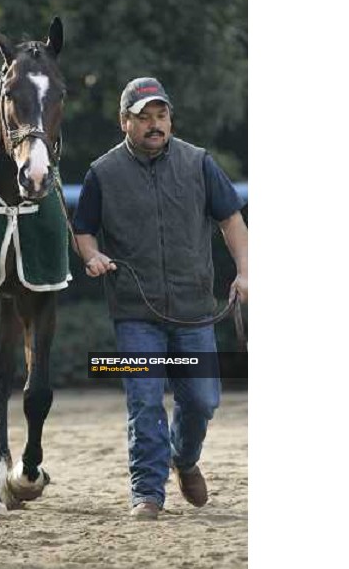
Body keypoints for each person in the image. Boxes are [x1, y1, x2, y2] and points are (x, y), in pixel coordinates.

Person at [73, 77, 248, 520]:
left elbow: (231, 220)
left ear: (170, 118)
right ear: (124, 122)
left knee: (203, 400)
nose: (155, 124)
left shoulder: (199, 163)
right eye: (144, 117)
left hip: (194, 311)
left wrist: (247, 272)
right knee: (145, 399)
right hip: (136, 313)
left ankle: (184, 458)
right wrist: (91, 256)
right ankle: (147, 493)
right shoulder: (102, 173)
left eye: (161, 115)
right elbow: (84, 230)